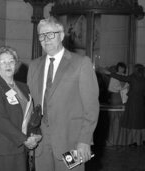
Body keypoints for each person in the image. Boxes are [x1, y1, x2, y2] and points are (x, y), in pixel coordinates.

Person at [27, 16, 99, 171]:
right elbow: (31, 106)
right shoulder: (33, 66)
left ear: (61, 35)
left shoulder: (81, 63)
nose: (46, 39)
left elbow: (91, 107)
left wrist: (85, 141)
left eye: (50, 34)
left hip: (71, 143)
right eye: (42, 36)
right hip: (40, 143)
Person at [0, 46, 42, 171]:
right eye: (3, 62)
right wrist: (24, 139)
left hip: (20, 149)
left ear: (16, 64)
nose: (8, 65)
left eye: (11, 61)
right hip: (3, 148)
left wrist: (35, 135)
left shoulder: (24, 88)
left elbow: (29, 116)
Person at [104, 64, 145, 146]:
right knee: (141, 122)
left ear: (136, 70)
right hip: (141, 102)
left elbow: (121, 78)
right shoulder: (143, 79)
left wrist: (109, 73)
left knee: (133, 123)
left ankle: (134, 142)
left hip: (133, 102)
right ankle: (143, 140)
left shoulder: (133, 77)